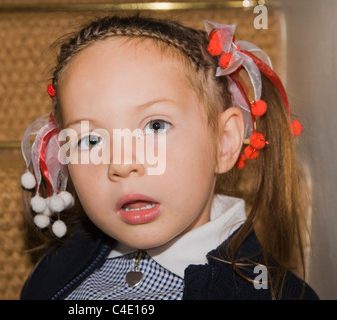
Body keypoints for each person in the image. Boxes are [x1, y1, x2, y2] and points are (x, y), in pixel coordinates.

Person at [19, 15, 318, 300]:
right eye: (91, 140)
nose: (122, 164)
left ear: (224, 142)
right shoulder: (57, 267)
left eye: (156, 126)